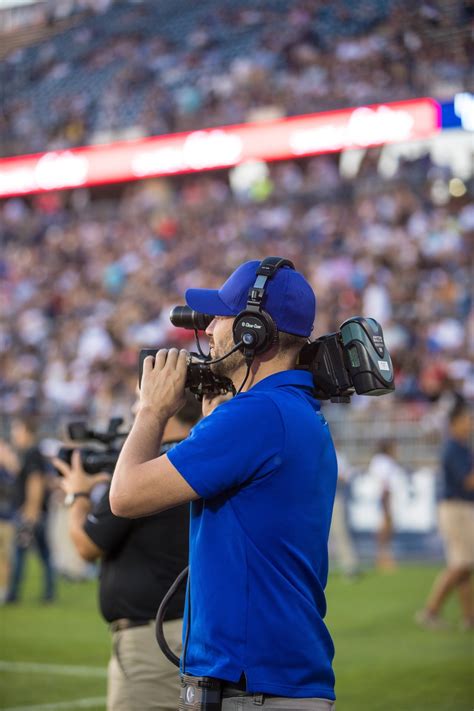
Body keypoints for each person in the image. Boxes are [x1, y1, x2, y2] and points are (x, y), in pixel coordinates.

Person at [110, 258, 338, 709]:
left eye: (221, 316)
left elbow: (125, 495)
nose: (210, 328)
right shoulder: (287, 408)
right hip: (272, 679)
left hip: (252, 685)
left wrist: (153, 410)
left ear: (254, 331)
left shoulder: (255, 415)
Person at [53, 392, 201, 711]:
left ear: (167, 407)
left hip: (150, 641)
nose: (136, 412)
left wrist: (77, 493)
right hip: (195, 629)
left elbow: (86, 545)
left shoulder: (146, 469)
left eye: (141, 401)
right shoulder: (204, 455)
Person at [416, 403, 474, 630]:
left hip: (461, 508)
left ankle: (469, 617)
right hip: (455, 508)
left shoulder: (461, 447)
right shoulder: (453, 448)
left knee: (465, 564)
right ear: (453, 424)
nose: (469, 424)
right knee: (460, 564)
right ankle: (430, 611)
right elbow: (468, 482)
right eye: (465, 420)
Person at [6, 416, 56, 604]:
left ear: (26, 431)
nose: (14, 434)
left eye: (17, 430)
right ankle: (49, 594)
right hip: (36, 512)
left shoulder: (32, 452)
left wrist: (31, 512)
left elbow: (36, 481)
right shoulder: (34, 452)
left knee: (20, 555)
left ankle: (13, 595)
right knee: (44, 555)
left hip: (31, 513)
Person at [366, 439, 405, 571]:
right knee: (385, 528)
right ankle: (382, 557)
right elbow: (384, 482)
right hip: (384, 497)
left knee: (387, 527)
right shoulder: (383, 461)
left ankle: (383, 556)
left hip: (386, 496)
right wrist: (385, 501)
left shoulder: (381, 461)